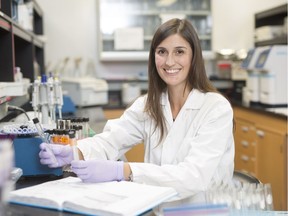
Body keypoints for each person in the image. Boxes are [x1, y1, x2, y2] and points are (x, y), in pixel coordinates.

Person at [39, 18, 234, 206]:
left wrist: (123, 170)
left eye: (179, 52)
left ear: (194, 57)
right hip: (158, 209)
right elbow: (112, 140)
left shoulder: (216, 108)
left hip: (205, 211)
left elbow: (193, 177)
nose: (169, 61)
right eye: (162, 52)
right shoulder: (149, 104)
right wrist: (74, 153)